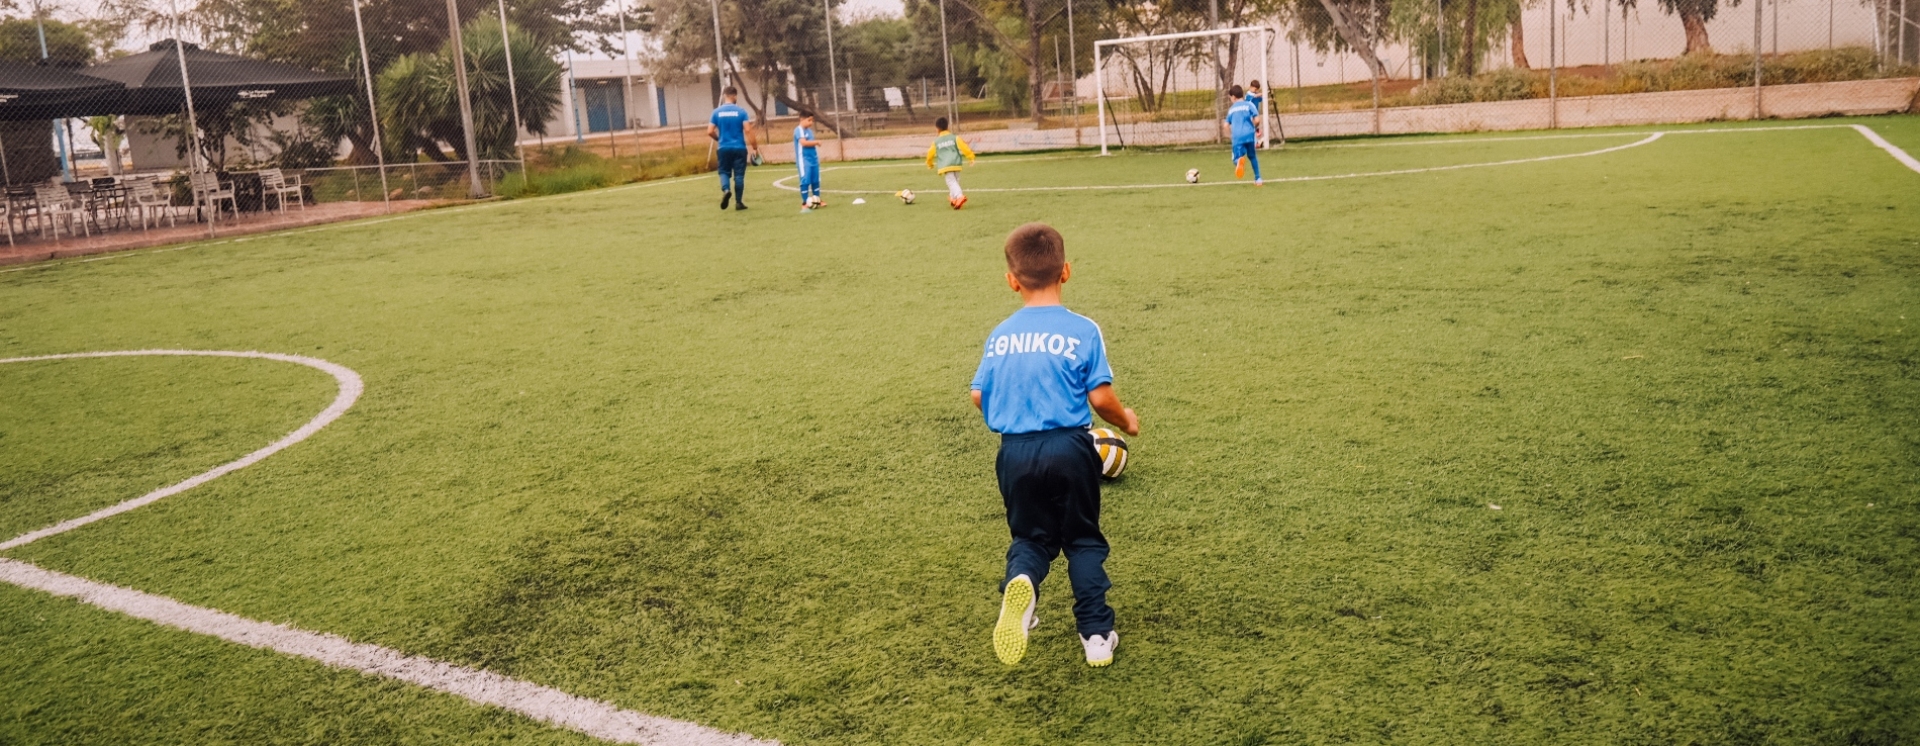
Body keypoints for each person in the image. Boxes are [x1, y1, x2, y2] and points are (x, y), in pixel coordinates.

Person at [970, 222, 1141, 668]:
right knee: (1082, 540)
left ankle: (1023, 587)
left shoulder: (1000, 334)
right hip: (1069, 447)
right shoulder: (1082, 329)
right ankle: (1097, 635)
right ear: (1066, 271)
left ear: (1011, 281)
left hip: (1015, 452)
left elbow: (977, 395)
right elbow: (1101, 397)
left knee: (1031, 537)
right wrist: (1127, 422)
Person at [707, 86, 759, 211]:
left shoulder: (716, 112)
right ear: (735, 96)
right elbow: (748, 130)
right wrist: (755, 147)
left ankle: (726, 190)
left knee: (724, 172)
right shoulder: (741, 112)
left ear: (724, 96)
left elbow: (709, 131)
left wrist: (719, 139)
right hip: (739, 148)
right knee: (739, 176)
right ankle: (739, 202)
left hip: (723, 148)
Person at [925, 117, 977, 210]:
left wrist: (929, 164)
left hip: (946, 165)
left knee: (950, 181)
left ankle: (959, 196)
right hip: (956, 163)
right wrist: (971, 157)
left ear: (937, 129)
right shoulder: (955, 138)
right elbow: (964, 147)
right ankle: (953, 198)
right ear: (947, 126)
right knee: (955, 181)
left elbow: (930, 154)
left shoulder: (936, 142)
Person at [1222, 84, 1262, 186]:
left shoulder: (1231, 109)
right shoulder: (1249, 105)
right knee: (1252, 157)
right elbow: (1257, 120)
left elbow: (1226, 125)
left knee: (1236, 158)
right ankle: (1258, 179)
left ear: (1233, 97)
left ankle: (1239, 160)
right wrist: (1254, 126)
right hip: (1249, 135)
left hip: (1237, 136)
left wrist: (1230, 135)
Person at [793, 113, 822, 211]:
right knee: (805, 180)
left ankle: (817, 199)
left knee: (815, 180)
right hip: (804, 160)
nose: (811, 123)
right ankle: (805, 202)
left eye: (812, 121)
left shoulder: (809, 131)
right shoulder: (798, 130)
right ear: (802, 119)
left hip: (813, 159)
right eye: (809, 120)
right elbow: (803, 143)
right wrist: (816, 142)